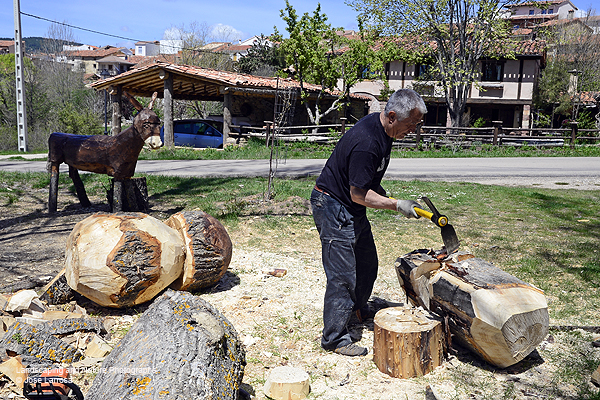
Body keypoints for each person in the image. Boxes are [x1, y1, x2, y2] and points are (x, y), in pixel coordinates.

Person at [310, 88, 427, 356]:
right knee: (342, 276)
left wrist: (389, 197)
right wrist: (397, 205)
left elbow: (368, 182)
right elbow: (359, 193)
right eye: (411, 124)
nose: (413, 130)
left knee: (367, 263)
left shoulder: (385, 132)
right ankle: (334, 338)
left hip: (350, 206)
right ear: (393, 116)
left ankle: (357, 309)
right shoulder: (368, 142)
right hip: (333, 205)